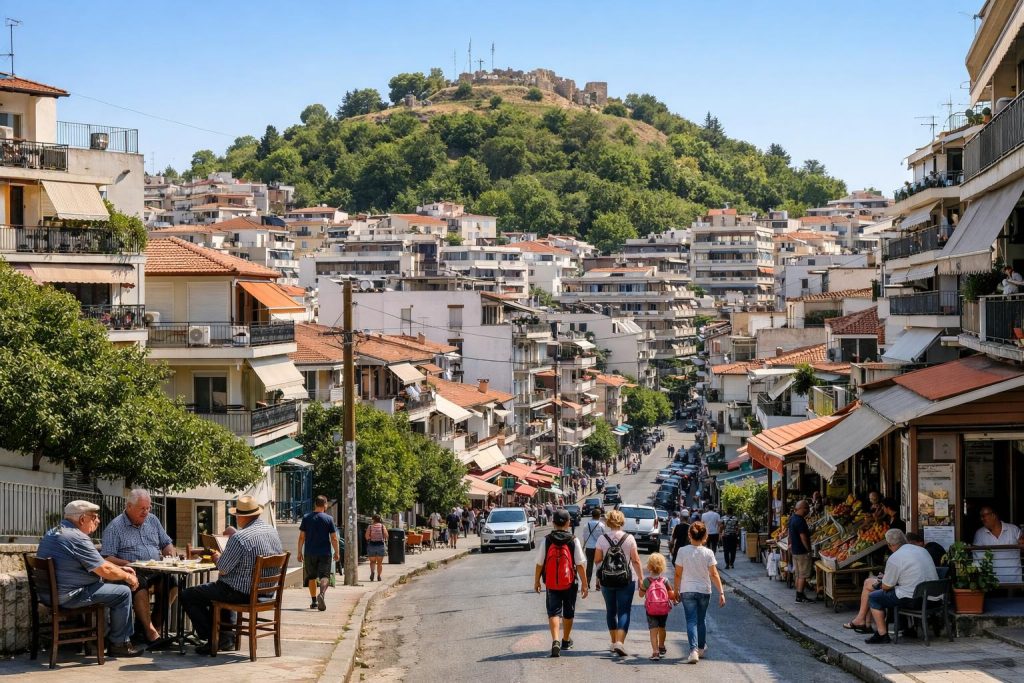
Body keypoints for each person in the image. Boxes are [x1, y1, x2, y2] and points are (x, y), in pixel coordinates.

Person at [37, 500, 142, 658]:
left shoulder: (54, 532)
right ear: (82, 519)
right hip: (69, 596)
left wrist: (120, 569)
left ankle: (102, 637)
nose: (98, 521)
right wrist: (128, 576)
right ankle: (119, 644)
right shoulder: (77, 538)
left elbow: (98, 562)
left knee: (111, 585)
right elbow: (104, 570)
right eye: (94, 517)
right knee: (123, 592)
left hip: (48, 595)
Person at [181, 495, 283, 655]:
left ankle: (213, 638)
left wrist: (216, 556)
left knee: (189, 595)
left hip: (243, 593)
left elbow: (223, 568)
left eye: (236, 515)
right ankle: (226, 638)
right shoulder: (272, 531)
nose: (236, 518)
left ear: (242, 516)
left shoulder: (240, 538)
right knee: (221, 587)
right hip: (267, 592)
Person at [100, 488, 176, 646]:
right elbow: (107, 558)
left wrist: (170, 554)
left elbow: (166, 543)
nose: (146, 512)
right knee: (139, 584)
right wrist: (128, 564)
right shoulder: (115, 527)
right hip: (129, 572)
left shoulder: (152, 520)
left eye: (148, 508)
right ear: (129, 506)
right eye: (142, 508)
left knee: (172, 583)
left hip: (155, 570)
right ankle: (151, 633)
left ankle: (154, 626)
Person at [863, 529, 939, 644]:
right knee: (898, 592)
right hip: (934, 598)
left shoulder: (895, 557)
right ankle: (906, 628)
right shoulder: (922, 550)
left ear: (889, 545)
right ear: (904, 540)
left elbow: (886, 587)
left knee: (874, 597)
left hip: (916, 600)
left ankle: (882, 634)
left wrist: (884, 579)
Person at [534, 509, 588, 658]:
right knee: (568, 612)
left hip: (551, 583)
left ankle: (555, 640)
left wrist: (537, 581)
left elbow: (539, 563)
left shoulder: (547, 540)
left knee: (553, 612)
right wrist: (584, 584)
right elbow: (580, 564)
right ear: (568, 523)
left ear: (553, 523)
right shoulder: (573, 540)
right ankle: (565, 640)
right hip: (570, 582)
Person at [673, 521, 725, 664]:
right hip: (704, 590)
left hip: (687, 590)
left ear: (689, 535)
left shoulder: (682, 551)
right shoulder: (708, 553)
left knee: (691, 620)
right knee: (701, 620)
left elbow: (677, 574)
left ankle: (693, 651)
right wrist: (721, 592)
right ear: (705, 536)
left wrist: (676, 590)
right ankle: (701, 648)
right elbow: (714, 574)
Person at [594, 509, 644, 656]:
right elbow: (635, 560)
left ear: (608, 522)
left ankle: (613, 641)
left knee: (611, 611)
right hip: (626, 580)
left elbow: (597, 560)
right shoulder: (629, 538)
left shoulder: (602, 539)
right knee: (624, 611)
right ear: (622, 521)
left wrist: (598, 578)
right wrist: (641, 578)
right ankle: (620, 643)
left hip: (607, 580)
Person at [298, 495, 340, 611]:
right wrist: (337, 552)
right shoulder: (329, 519)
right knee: (324, 576)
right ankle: (321, 594)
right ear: (325, 505)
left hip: (309, 552)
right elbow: (334, 538)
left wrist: (299, 552)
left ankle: (314, 602)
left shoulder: (306, 518)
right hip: (324, 553)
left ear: (315, 504)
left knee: (311, 577)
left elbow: (301, 537)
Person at [973, 506, 1024, 584]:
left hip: (1014, 581)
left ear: (993, 515)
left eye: (983, 516)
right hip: (990, 583)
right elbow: (977, 560)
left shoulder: (1013, 529)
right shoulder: (979, 534)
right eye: (981, 516)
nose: (981, 519)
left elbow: (1022, 547)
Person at [639, 552, 675, 661]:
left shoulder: (647, 581)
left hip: (651, 609)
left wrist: (642, 588)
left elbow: (640, 595)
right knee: (662, 628)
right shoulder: (665, 581)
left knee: (653, 630)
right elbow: (671, 595)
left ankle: (655, 652)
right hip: (663, 609)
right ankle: (661, 645)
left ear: (649, 566)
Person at [789, 500, 813, 603]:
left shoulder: (792, 519)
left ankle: (799, 594)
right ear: (801, 509)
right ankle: (799, 596)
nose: (808, 510)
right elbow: (803, 537)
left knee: (798, 574)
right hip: (802, 552)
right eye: (806, 508)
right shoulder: (800, 521)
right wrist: (808, 550)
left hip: (795, 551)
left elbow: (790, 535)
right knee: (803, 575)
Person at [581, 508, 605, 584]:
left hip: (589, 547)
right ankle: (598, 583)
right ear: (599, 516)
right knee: (599, 565)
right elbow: (603, 537)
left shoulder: (586, 525)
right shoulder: (601, 525)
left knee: (589, 565)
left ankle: (587, 582)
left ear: (592, 515)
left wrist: (583, 546)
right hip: (598, 548)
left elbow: (585, 537)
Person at [365, 514, 388, 582]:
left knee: (372, 561)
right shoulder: (382, 526)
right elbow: (386, 535)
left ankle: (372, 572)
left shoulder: (370, 527)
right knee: (379, 563)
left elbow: (366, 536)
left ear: (373, 520)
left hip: (372, 545)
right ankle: (379, 576)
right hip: (380, 545)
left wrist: (371, 538)